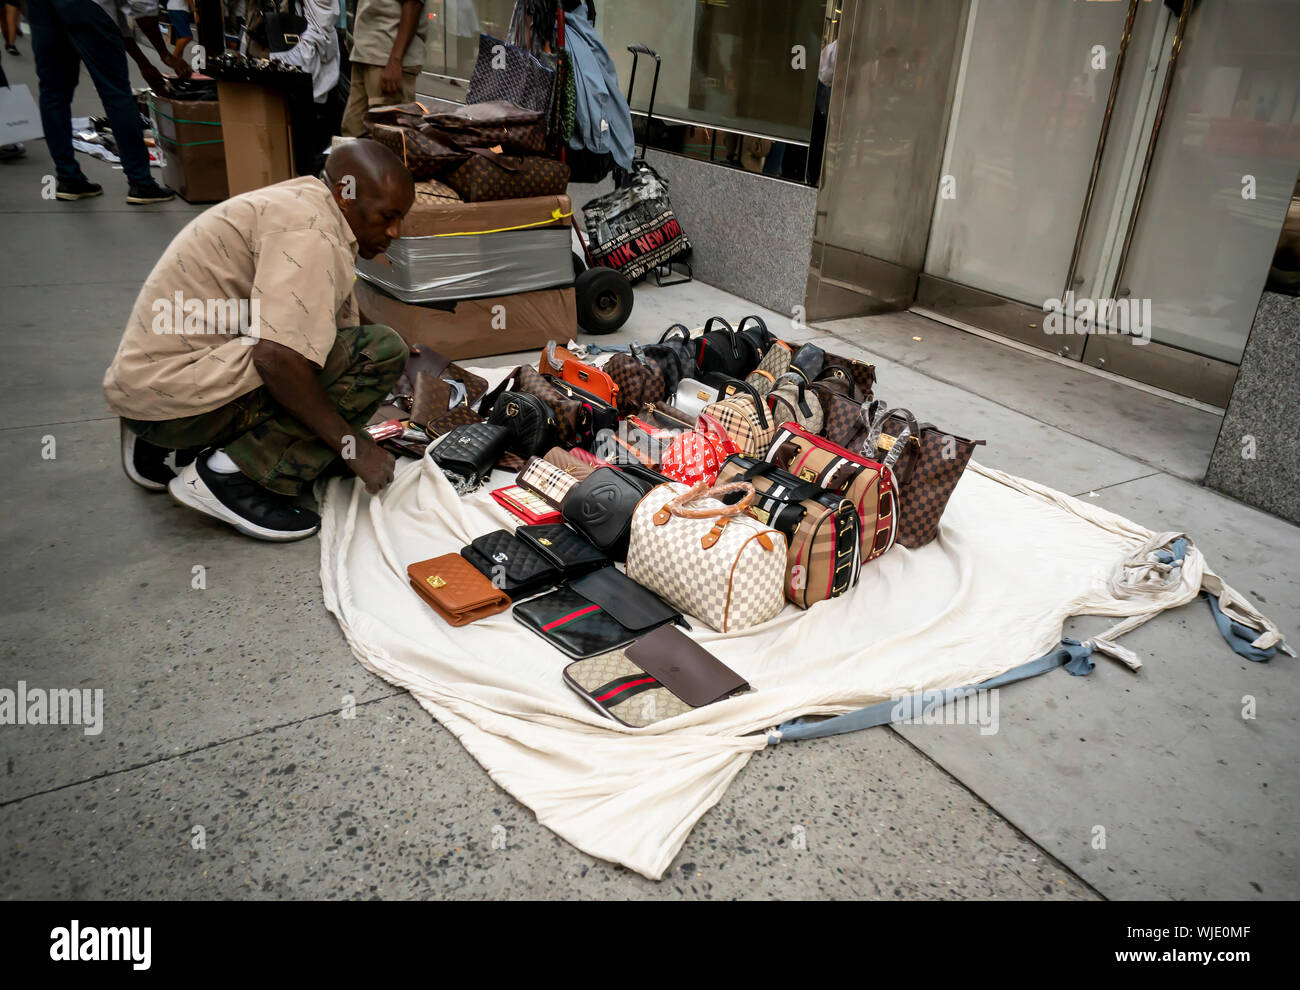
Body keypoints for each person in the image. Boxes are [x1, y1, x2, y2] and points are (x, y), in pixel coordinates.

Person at [104, 139, 417, 541]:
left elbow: (318, 301)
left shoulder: (304, 199)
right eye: (387, 217)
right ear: (346, 193)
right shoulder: (312, 233)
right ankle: (228, 478)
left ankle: (153, 443)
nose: (394, 231)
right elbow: (277, 359)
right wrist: (352, 445)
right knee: (379, 352)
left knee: (356, 340)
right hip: (176, 408)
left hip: (148, 388)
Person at [27, 0, 183, 202]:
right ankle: (141, 182)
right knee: (116, 92)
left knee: (53, 92)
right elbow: (142, 7)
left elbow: (119, 23)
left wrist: (144, 63)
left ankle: (69, 179)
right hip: (88, 7)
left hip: (43, 7)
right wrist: (165, 55)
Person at [339, 0, 425, 138]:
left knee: (387, 139)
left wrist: (395, 61)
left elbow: (413, 4)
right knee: (352, 133)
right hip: (364, 53)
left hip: (386, 56)